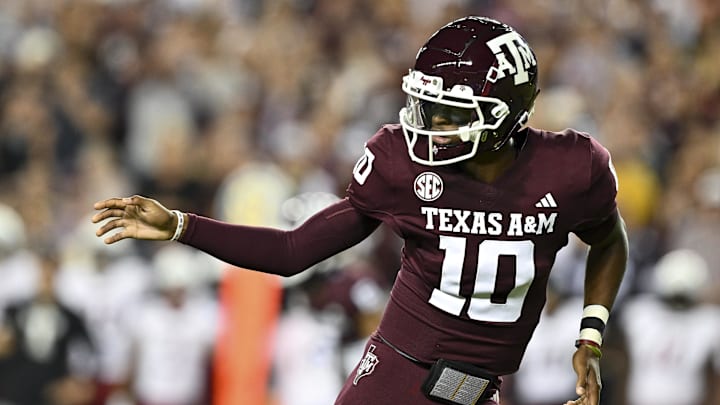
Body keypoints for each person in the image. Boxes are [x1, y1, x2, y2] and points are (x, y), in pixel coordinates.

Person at [92, 16, 628, 405]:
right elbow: (293, 250)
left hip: (476, 389)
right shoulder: (399, 163)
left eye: (451, 114)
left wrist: (590, 336)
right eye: (429, 109)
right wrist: (181, 226)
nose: (431, 127)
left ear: (507, 115)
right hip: (397, 376)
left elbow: (608, 238)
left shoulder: (573, 168)